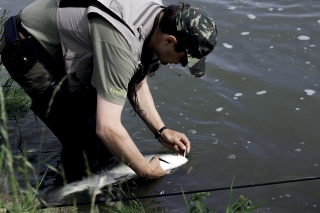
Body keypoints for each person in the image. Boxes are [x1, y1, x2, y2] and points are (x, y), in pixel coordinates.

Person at [0, 0, 218, 182]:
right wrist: (145, 170)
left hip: (70, 41)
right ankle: (65, 194)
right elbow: (108, 128)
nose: (181, 65)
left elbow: (136, 80)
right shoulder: (120, 42)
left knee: (98, 131)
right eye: (183, 59)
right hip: (25, 46)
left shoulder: (158, 17)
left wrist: (161, 130)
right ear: (170, 40)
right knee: (83, 140)